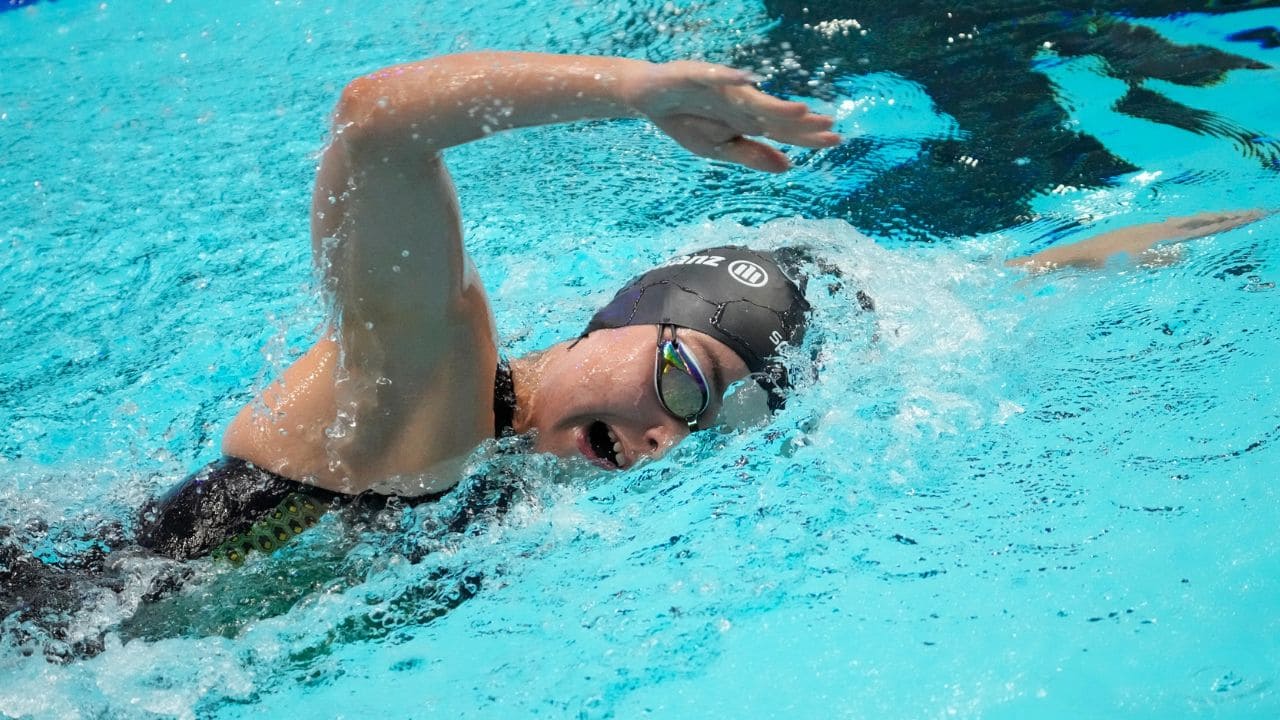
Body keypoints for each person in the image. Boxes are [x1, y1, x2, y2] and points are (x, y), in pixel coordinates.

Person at [130, 52, 1267, 564]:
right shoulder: (433, 389)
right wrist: (636, 91)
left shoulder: (500, 476)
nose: (667, 437)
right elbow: (377, 119)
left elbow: (997, 289)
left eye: (705, 430)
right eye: (683, 385)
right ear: (625, 322)